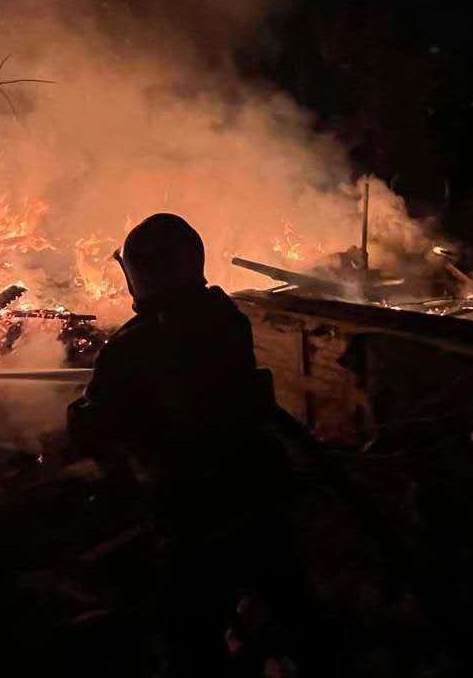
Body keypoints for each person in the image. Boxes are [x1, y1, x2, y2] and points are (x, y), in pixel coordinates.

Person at [67, 213, 305, 675]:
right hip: (260, 491)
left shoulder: (134, 344)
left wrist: (84, 409)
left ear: (143, 272)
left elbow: (92, 429)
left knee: (189, 635)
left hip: (196, 509)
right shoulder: (226, 317)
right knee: (289, 606)